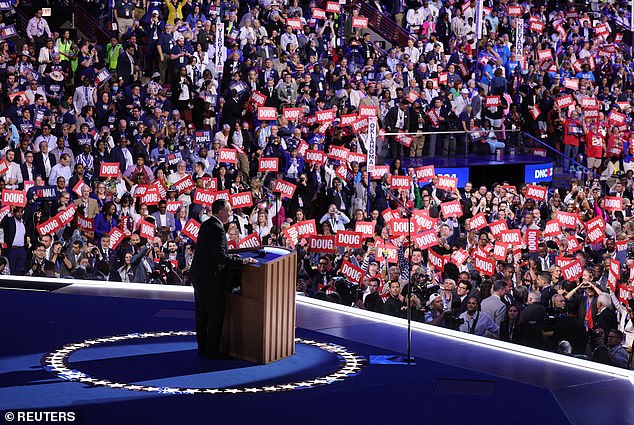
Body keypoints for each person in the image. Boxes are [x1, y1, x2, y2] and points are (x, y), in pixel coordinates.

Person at [189, 199, 257, 359]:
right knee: (215, 313)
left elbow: (214, 252)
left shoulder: (207, 224)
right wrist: (243, 261)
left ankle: (203, 348)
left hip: (199, 276)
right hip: (209, 278)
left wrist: (231, 256)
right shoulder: (217, 228)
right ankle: (213, 351)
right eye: (230, 211)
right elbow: (221, 257)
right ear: (221, 212)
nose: (231, 213)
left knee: (202, 314)